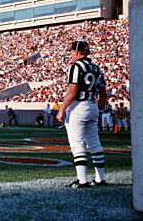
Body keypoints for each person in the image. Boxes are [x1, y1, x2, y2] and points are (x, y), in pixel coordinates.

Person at [56, 40, 108, 188]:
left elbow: (73, 92)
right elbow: (103, 95)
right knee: (95, 144)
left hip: (78, 107)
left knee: (77, 144)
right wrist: (100, 112)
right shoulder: (97, 68)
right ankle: (100, 178)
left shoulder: (76, 67)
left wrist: (62, 109)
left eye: (72, 51)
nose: (71, 54)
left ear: (77, 52)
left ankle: (82, 180)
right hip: (93, 106)